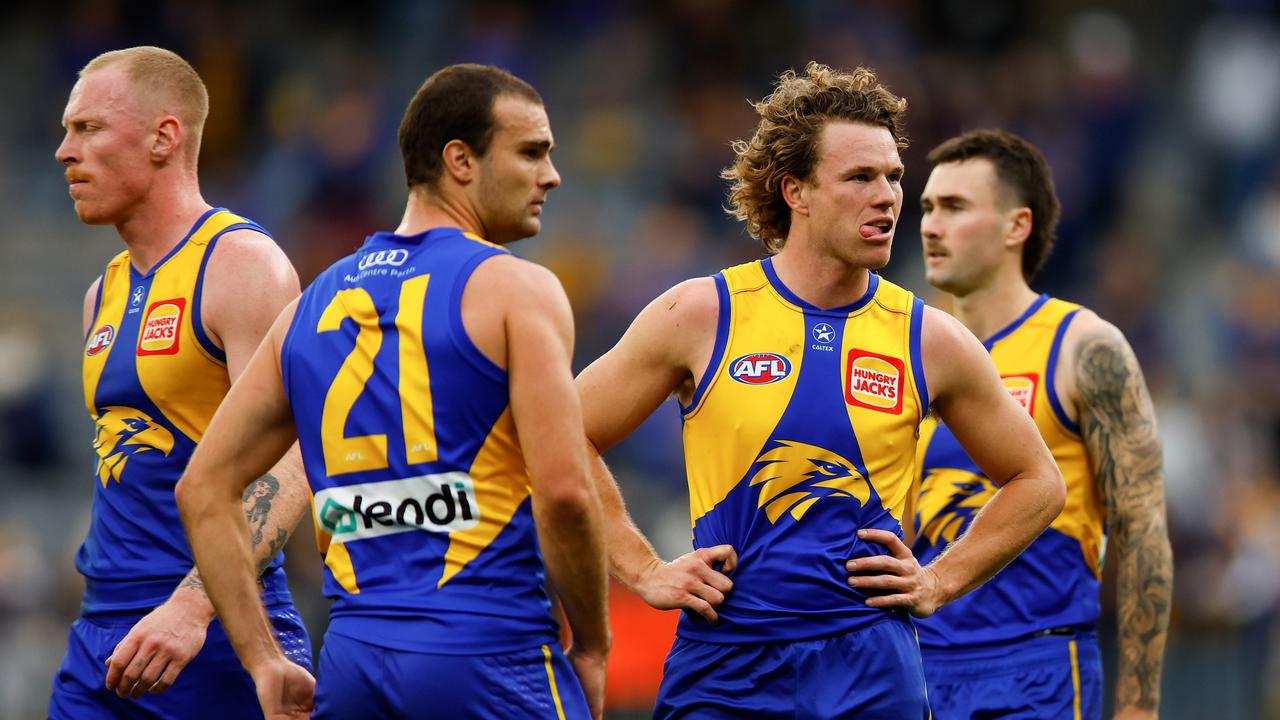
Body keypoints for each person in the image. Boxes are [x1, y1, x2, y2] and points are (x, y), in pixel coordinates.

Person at [574, 62, 1067, 718]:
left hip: (870, 669)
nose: (889, 196)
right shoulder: (701, 314)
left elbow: (1039, 481)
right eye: (861, 177)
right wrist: (643, 570)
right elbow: (561, 432)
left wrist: (939, 579)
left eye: (894, 177)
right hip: (726, 665)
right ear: (796, 192)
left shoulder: (930, 339)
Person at [176, 63, 611, 720]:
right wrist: (595, 646)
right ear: (459, 160)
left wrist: (263, 658)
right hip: (490, 656)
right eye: (531, 153)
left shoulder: (308, 309)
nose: (550, 175)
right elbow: (565, 493)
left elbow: (201, 489)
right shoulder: (516, 290)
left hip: (352, 669)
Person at [49, 46, 312, 719]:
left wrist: (192, 607)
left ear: (164, 138)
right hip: (103, 637)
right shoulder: (99, 295)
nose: (63, 152)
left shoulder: (243, 266)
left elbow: (296, 460)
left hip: (214, 633)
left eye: (88, 129)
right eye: (63, 131)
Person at [913, 129, 1172, 719]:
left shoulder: (1085, 348)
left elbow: (1142, 533)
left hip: (1037, 673)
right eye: (927, 207)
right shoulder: (907, 354)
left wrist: (1139, 706)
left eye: (954, 207)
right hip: (917, 670)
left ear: (1016, 226)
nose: (930, 225)